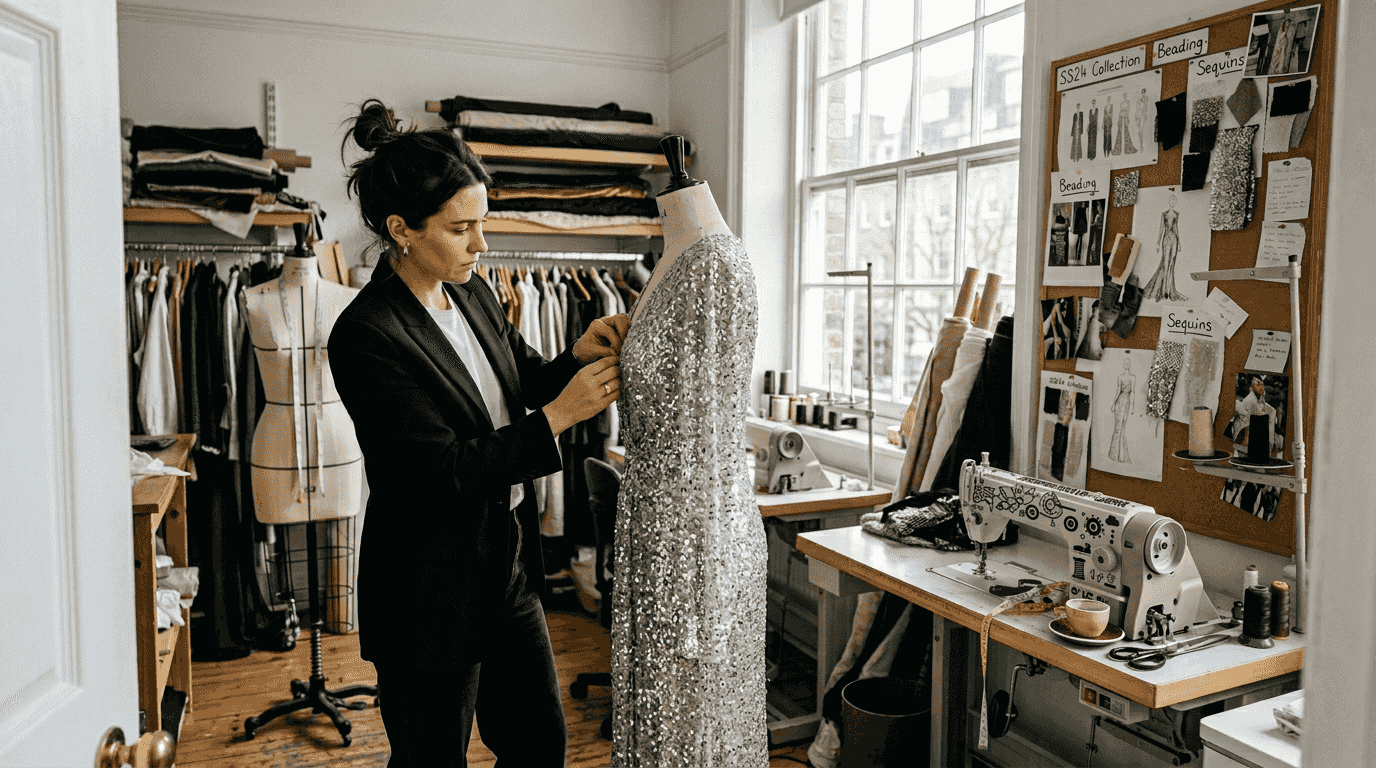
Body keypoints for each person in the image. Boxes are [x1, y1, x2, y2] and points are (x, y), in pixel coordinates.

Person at [328, 100, 628, 767]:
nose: (481, 245)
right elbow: (439, 473)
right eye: (462, 229)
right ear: (402, 229)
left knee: (538, 745)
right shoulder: (366, 335)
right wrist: (559, 418)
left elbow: (518, 377)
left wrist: (572, 359)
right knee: (432, 758)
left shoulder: (472, 291)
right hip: (426, 588)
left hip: (505, 565)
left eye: (482, 224)